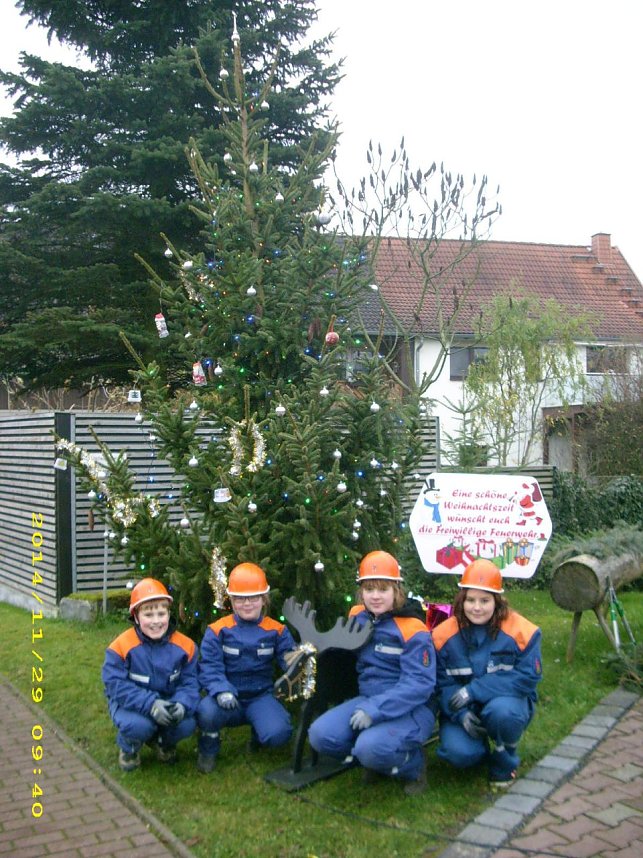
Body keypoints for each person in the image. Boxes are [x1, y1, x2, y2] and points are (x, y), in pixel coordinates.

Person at [307, 550, 436, 796]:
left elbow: (419, 684)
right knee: (320, 735)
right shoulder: (357, 617)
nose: (375, 596)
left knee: (370, 748)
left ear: (396, 590)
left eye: (383, 590)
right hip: (367, 699)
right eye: (369, 589)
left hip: (411, 708)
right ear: (361, 592)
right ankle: (377, 758)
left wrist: (375, 708)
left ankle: (413, 764)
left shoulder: (413, 629)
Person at [432, 559, 543, 788]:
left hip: (505, 704)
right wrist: (459, 715)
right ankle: (478, 750)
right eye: (471, 600)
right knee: (459, 754)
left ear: (497, 601)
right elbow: (441, 684)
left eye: (485, 600)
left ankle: (504, 763)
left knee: (504, 715)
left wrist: (474, 690)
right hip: (463, 708)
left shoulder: (523, 632)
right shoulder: (442, 636)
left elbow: (528, 677)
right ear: (462, 600)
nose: (477, 607)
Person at [196, 562, 297, 773]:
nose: (247, 603)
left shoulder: (277, 630)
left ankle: (259, 736)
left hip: (260, 696)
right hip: (226, 698)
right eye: (240, 598)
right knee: (206, 713)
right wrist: (221, 690)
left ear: (264, 599)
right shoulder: (217, 630)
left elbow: (291, 662)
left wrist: (303, 659)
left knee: (279, 733)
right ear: (231, 600)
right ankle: (208, 747)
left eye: (253, 597)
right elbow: (209, 668)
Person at [102, 577, 200, 772]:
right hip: (131, 706)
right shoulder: (120, 647)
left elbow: (191, 683)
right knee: (139, 726)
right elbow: (115, 686)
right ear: (136, 617)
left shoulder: (186, 646)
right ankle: (129, 747)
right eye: (148, 615)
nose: (156, 621)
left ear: (168, 614)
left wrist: (182, 704)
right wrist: (151, 704)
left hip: (169, 702)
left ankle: (162, 742)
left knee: (187, 723)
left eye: (161, 613)